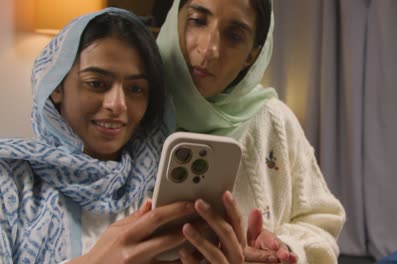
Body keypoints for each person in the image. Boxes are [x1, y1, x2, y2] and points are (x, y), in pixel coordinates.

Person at [0, 8, 261, 264]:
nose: (118, 104)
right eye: (96, 83)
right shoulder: (10, 184)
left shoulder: (160, 195)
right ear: (56, 87)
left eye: (136, 89)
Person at [155, 0, 347, 263]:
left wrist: (283, 249)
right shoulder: (128, 111)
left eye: (234, 36)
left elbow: (321, 222)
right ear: (175, 17)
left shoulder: (273, 121)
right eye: (198, 20)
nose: (209, 48)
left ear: (252, 55)